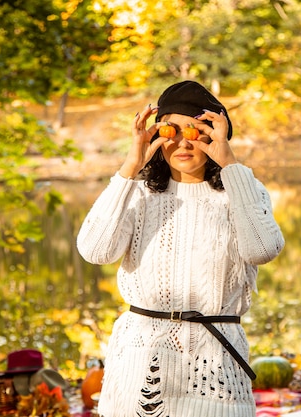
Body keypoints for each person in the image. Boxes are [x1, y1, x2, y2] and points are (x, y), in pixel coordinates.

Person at [76, 80, 285, 417]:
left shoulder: (242, 191)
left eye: (195, 130)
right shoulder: (139, 192)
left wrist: (231, 165)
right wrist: (130, 167)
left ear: (214, 134)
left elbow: (262, 249)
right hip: (140, 360)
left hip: (215, 362)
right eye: (171, 130)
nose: (181, 142)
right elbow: (96, 251)